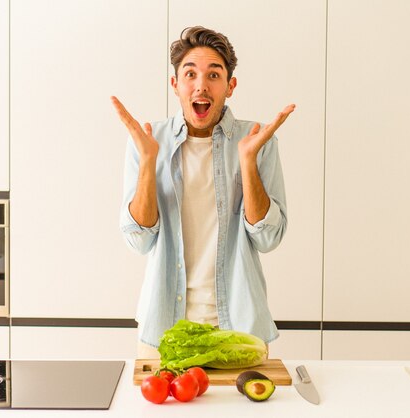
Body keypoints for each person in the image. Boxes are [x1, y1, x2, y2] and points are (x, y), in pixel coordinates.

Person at [112, 26, 295, 358]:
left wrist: (248, 161)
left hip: (239, 331)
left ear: (230, 86)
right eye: (190, 73)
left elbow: (268, 239)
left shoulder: (256, 140)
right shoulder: (149, 140)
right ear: (175, 85)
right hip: (164, 331)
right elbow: (138, 240)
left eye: (214, 74)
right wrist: (148, 161)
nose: (201, 84)